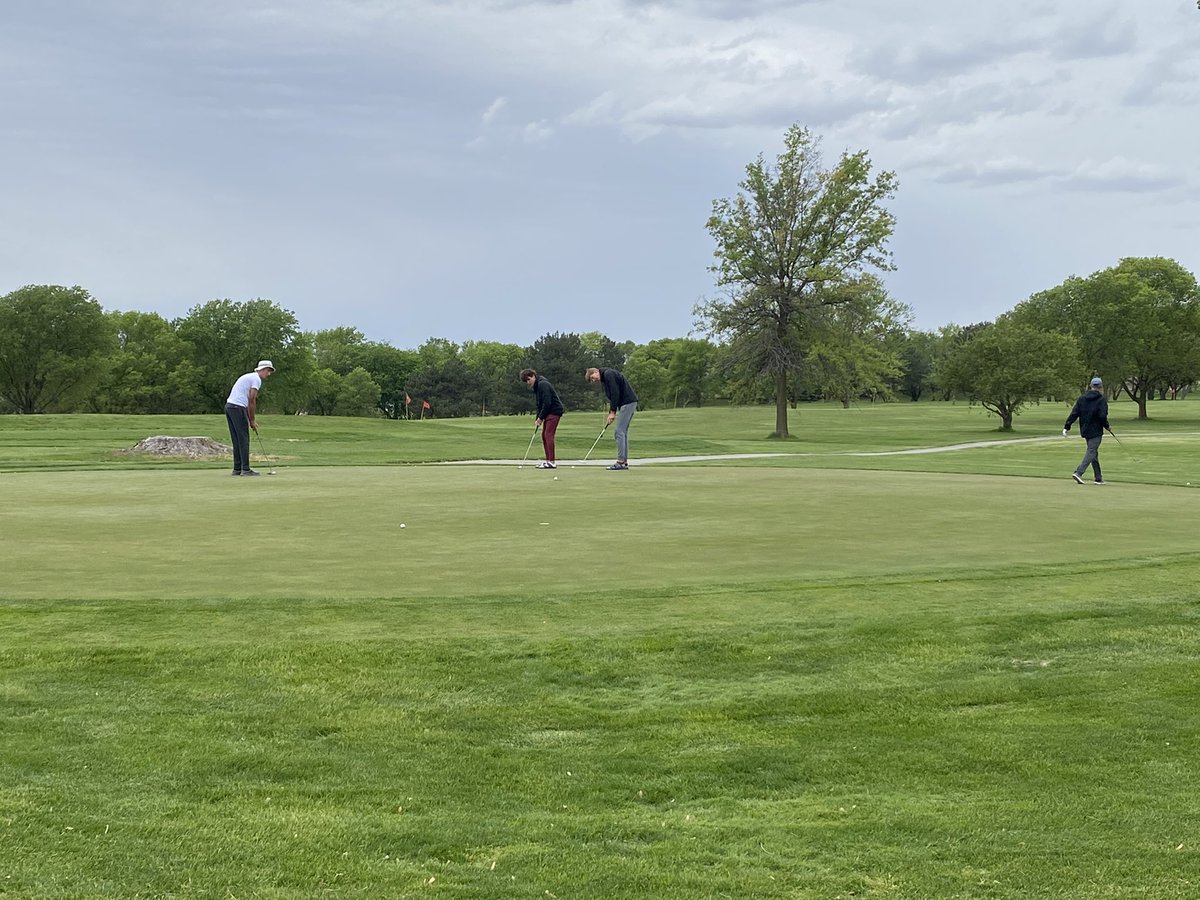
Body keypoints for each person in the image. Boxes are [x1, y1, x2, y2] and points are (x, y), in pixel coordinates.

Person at [225, 360, 275, 476]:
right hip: (237, 407)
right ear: (261, 369)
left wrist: (250, 418)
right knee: (243, 439)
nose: (269, 374)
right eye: (268, 371)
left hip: (229, 407)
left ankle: (237, 468)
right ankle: (245, 469)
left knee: (237, 439)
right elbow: (252, 400)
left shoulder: (249, 376)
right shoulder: (256, 379)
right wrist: (252, 420)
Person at [586, 366, 638, 470]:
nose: (593, 380)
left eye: (592, 377)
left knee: (619, 431)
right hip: (627, 403)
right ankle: (624, 461)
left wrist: (613, 412)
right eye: (591, 380)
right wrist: (611, 412)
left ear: (596, 371)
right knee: (622, 432)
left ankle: (621, 461)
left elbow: (615, 393)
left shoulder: (608, 374)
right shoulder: (605, 378)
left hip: (627, 402)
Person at [1063, 375, 1110, 484]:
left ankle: (1098, 478)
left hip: (1085, 429)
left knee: (1093, 452)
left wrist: (1067, 426)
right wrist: (1107, 426)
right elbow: (1102, 416)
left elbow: (1074, 413)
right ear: (1101, 387)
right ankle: (1079, 472)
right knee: (1092, 451)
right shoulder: (1101, 400)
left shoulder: (1082, 399)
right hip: (1096, 430)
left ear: (1091, 386)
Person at [520, 368, 564, 469]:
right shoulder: (537, 386)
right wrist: (538, 418)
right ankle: (548, 461)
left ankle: (552, 462)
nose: (528, 382)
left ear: (532, 376)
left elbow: (547, 402)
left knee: (548, 435)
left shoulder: (543, 384)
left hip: (554, 411)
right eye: (526, 381)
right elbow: (539, 404)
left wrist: (541, 417)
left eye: (528, 379)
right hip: (548, 412)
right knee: (544, 435)